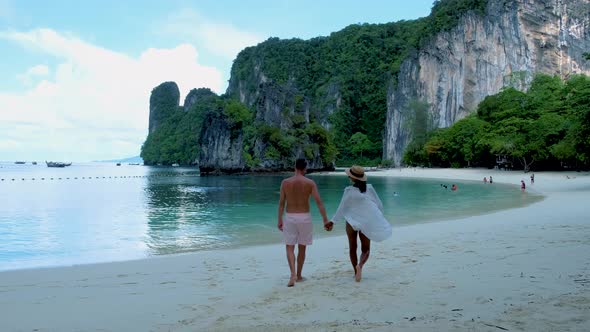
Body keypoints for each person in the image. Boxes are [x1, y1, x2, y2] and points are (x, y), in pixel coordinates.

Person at [330, 165, 392, 282]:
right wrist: (377, 218)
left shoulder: (348, 191)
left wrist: (333, 221)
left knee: (352, 248)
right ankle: (360, 266)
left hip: (351, 223)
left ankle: (355, 272)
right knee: (366, 250)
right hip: (366, 222)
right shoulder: (369, 189)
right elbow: (379, 205)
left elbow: (341, 208)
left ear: (352, 178)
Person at [277, 158, 332, 287]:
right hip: (305, 218)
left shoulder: (285, 182)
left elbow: (281, 204)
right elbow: (319, 203)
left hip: (290, 217)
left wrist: (279, 220)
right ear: (305, 168)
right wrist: (325, 219)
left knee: (289, 247)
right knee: (302, 247)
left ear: (295, 167)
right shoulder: (310, 183)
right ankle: (299, 275)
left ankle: (292, 274)